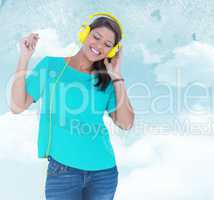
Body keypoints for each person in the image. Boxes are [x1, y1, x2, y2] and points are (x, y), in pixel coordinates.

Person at [10, 13, 134, 200]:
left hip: (104, 173)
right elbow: (18, 106)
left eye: (107, 45)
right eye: (96, 37)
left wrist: (116, 75)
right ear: (85, 33)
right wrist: (25, 57)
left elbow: (126, 123)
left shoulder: (107, 80)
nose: (99, 46)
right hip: (63, 172)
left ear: (112, 51)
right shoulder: (51, 66)